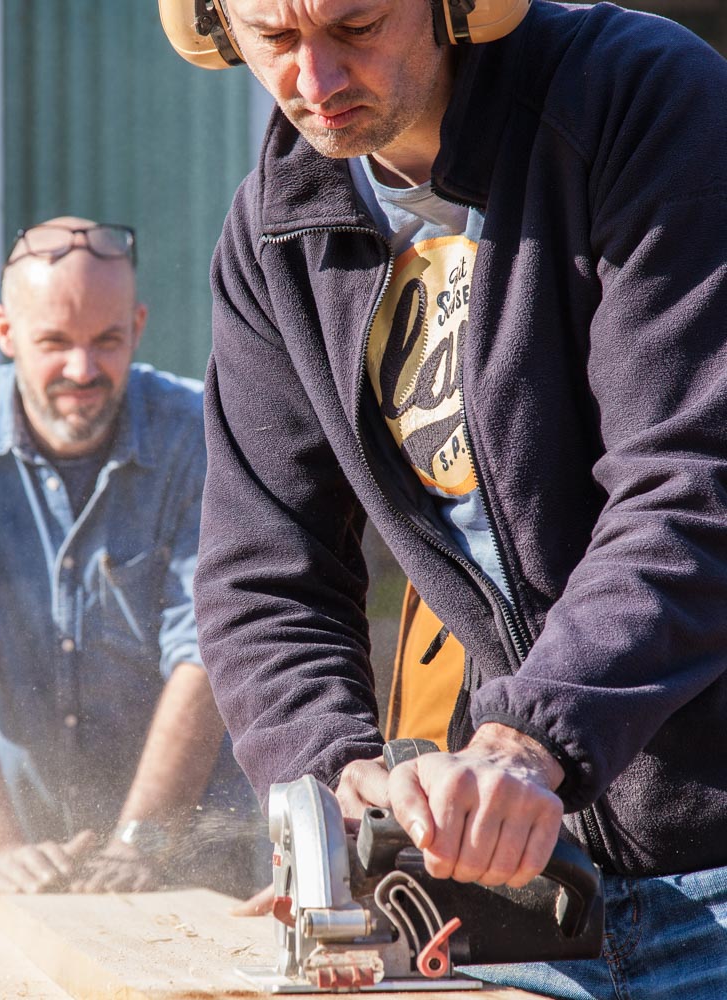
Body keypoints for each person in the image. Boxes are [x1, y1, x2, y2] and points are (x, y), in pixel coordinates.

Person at [161, 1, 727, 997]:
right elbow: (263, 569)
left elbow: (693, 480)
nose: (318, 84)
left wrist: (526, 739)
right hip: (534, 892)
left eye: (358, 26)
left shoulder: (634, 96)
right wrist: (341, 780)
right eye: (277, 41)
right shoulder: (276, 232)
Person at [0, 216, 261, 923]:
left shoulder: (201, 433)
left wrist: (141, 843)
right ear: (4, 332)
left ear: (138, 326)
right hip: (12, 846)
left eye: (106, 341)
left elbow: (207, 647)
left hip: (188, 859)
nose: (82, 371)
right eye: (54, 343)